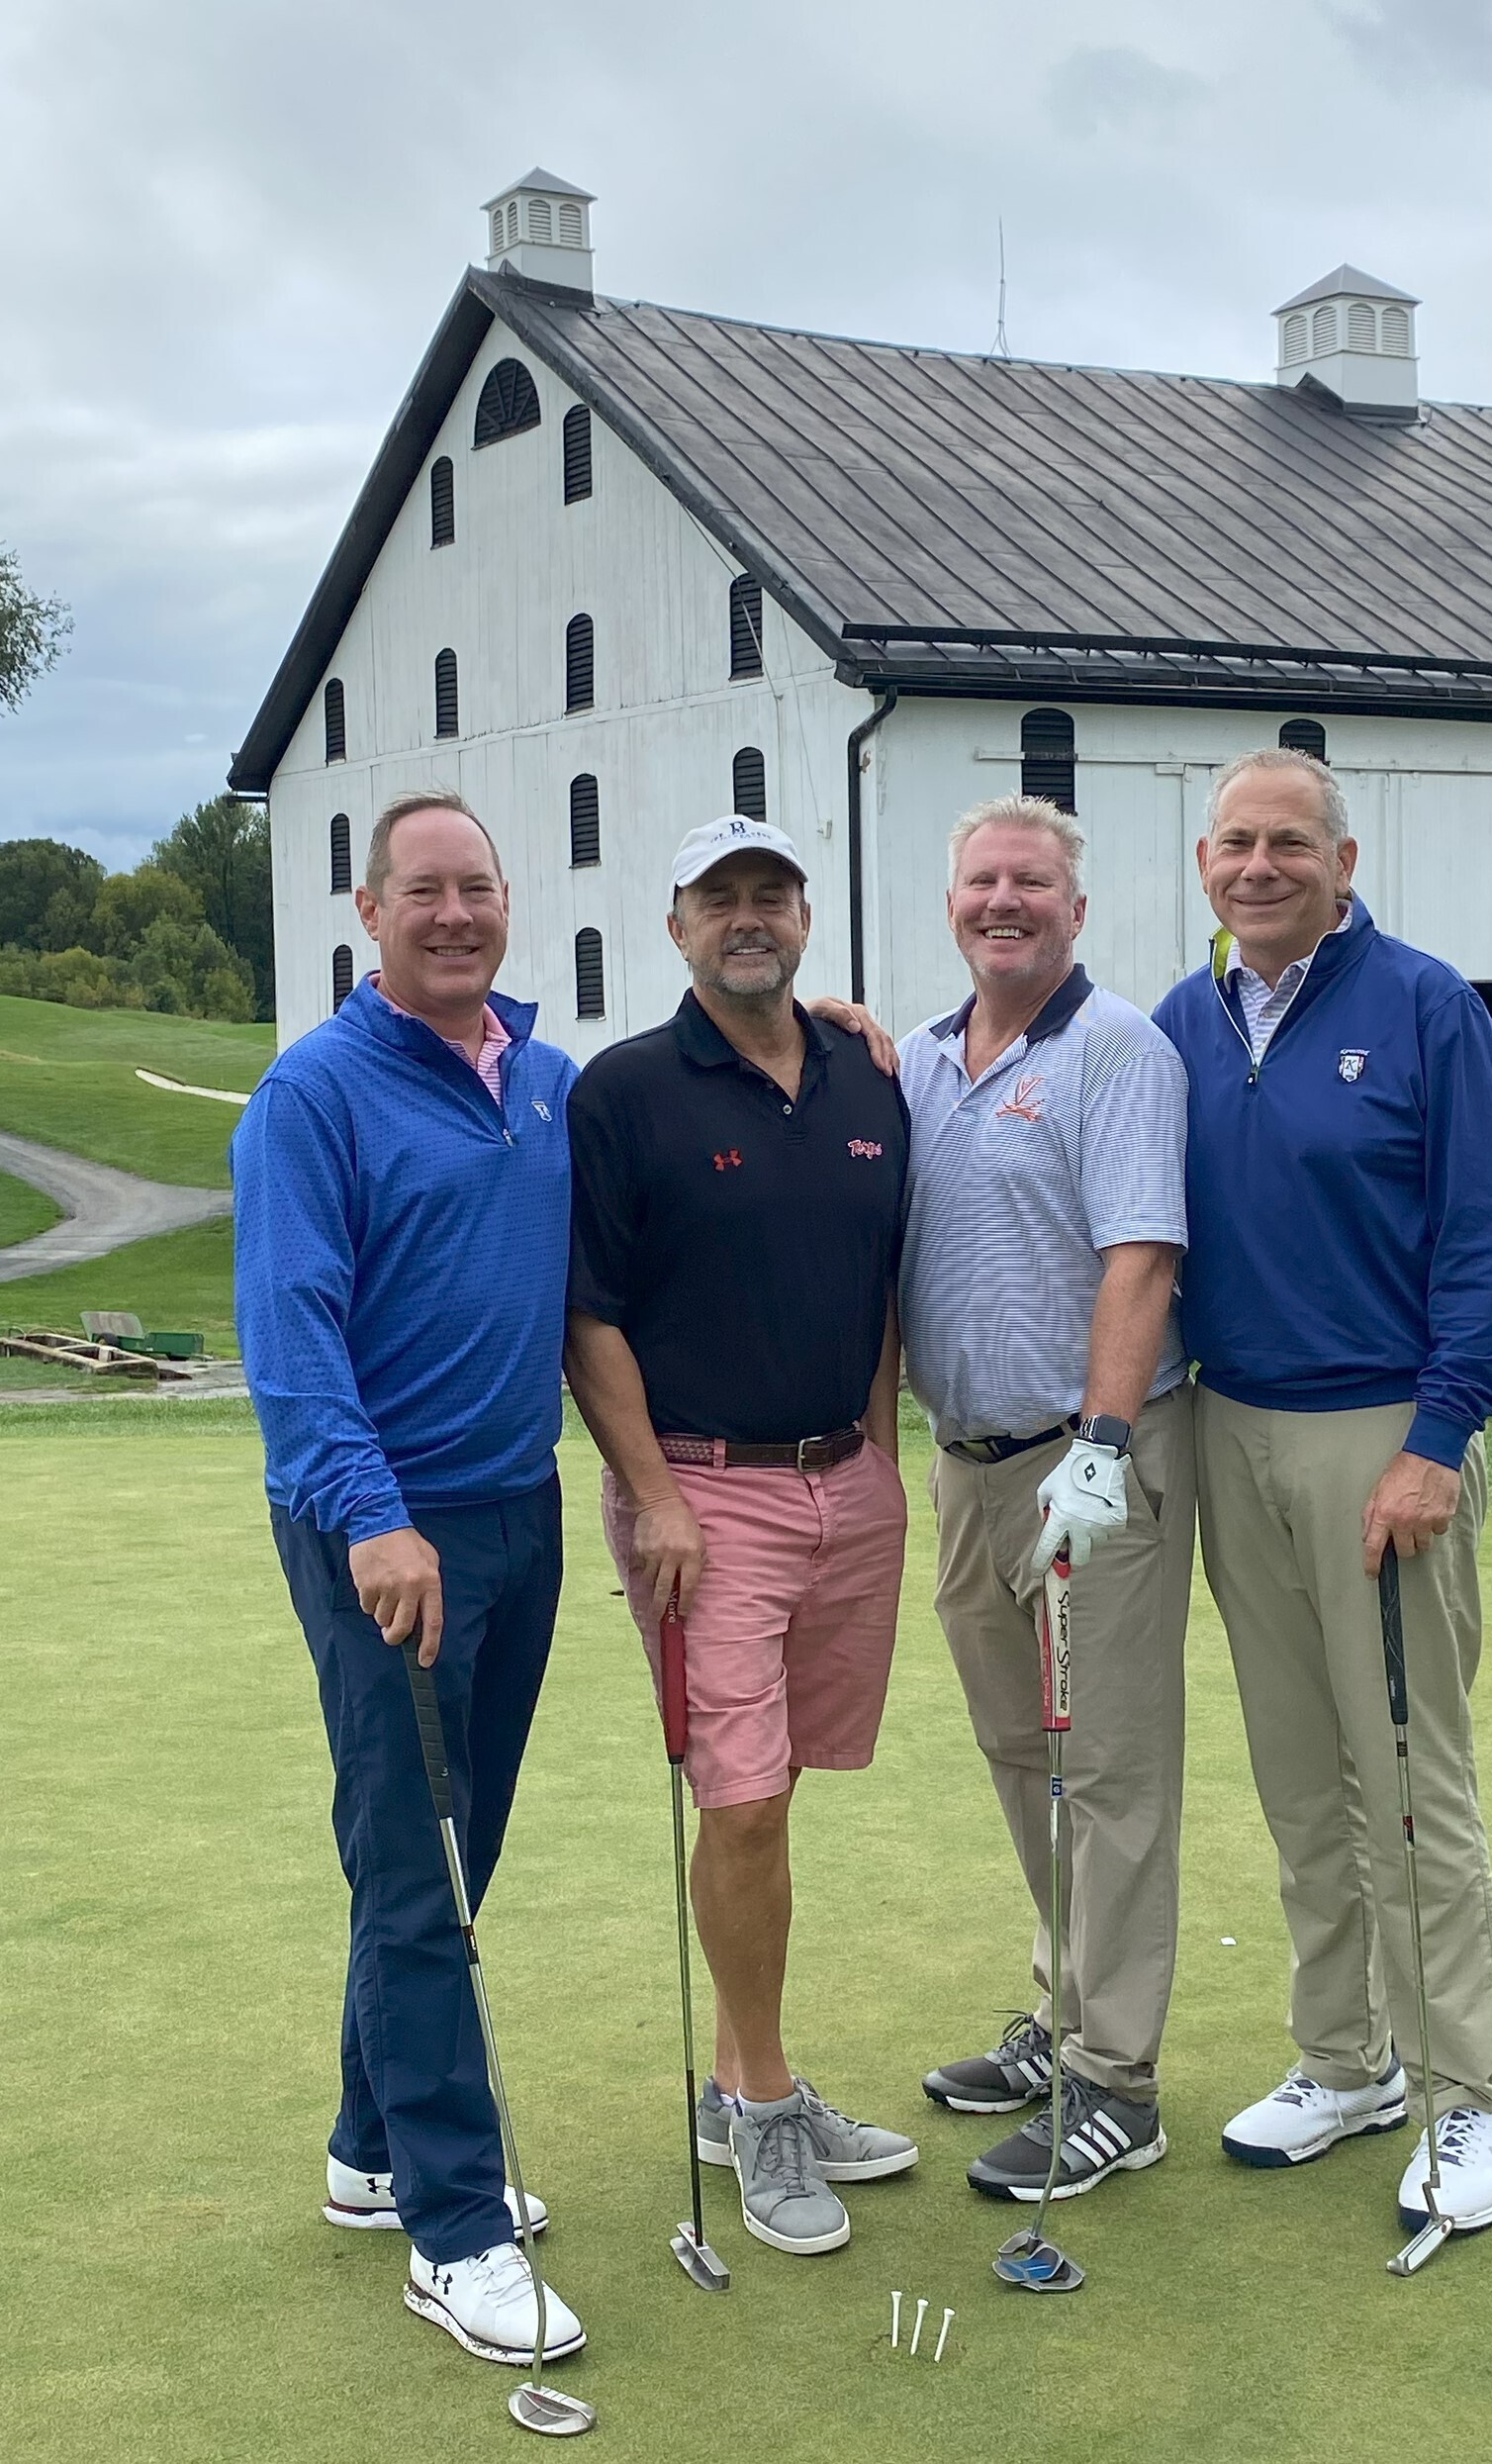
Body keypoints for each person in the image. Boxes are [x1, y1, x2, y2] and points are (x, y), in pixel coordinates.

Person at [1152, 745, 1492, 2239]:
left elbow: (1491, 1238)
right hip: (1230, 1425)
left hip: (1383, 1433)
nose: (1258, 868)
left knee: (1407, 1780)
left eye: (1288, 844)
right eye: (1234, 845)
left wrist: (1438, 1438)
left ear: (1342, 861)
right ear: (1204, 864)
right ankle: (1344, 2058)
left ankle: (1467, 2094)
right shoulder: (1183, 1019)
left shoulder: (1426, 1007)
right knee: (1298, 1772)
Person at [232, 789, 587, 2368]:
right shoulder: (312, 1092)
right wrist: (373, 1516)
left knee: (457, 1839)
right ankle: (452, 2229)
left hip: (518, 1507)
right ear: (368, 913)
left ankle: (371, 2151)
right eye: (421, 890)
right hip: (381, 1524)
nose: (453, 913)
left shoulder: (546, 1081)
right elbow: (291, 1329)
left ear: (506, 903)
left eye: (476, 888)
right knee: (414, 1863)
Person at [565, 813, 922, 2258]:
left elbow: (882, 1279)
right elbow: (589, 1317)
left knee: (779, 1791)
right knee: (745, 1799)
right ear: (676, 927)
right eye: (719, 899)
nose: (747, 917)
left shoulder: (865, 1074)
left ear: (804, 916)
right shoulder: (625, 1090)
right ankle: (764, 2100)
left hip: (847, 1480)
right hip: (702, 1499)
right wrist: (654, 1496)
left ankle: (739, 2076)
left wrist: (880, 1453)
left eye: (771, 893)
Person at [898, 794, 1197, 2205]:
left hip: (1088, 1468)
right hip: (966, 1465)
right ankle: (1065, 2004)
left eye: (1030, 881)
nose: (1002, 900)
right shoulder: (916, 1059)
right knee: (1024, 1757)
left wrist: (1105, 1440)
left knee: (1111, 1772)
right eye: (981, 880)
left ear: (1075, 910)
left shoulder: (1117, 1048)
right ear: (951, 903)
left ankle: (1116, 2080)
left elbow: (1142, 1256)